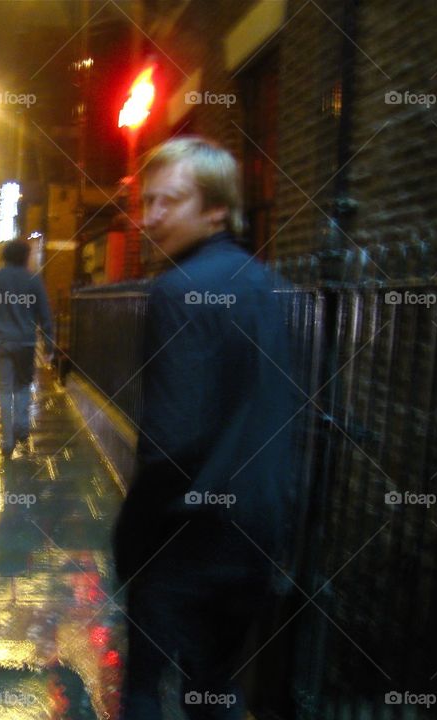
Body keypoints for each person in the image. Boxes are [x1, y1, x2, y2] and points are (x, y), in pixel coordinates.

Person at [113, 137, 297, 718]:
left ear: (217, 209)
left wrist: (131, 539)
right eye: (149, 202)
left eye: (172, 202)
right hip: (255, 529)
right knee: (213, 686)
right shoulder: (264, 283)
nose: (153, 217)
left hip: (185, 532)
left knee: (144, 684)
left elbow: (174, 440)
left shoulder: (175, 290)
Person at [0, 240, 54, 458]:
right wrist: (49, 344)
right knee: (23, 387)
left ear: (5, 256)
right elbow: (45, 313)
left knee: (4, 390)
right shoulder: (33, 280)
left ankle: (7, 440)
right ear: (25, 257)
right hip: (26, 344)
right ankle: (22, 427)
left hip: (3, 343)